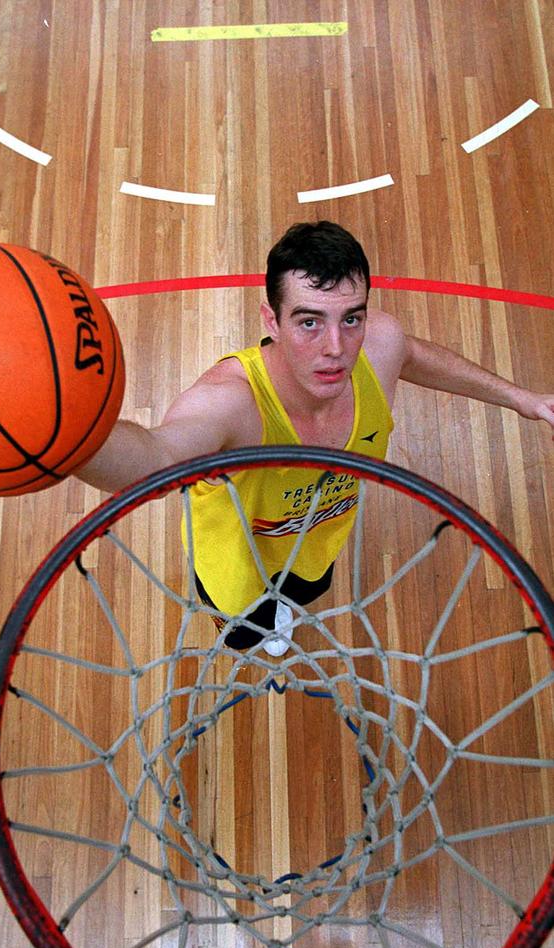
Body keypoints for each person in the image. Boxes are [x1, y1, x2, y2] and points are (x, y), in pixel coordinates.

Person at [77, 221, 554, 654]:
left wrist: (521, 399)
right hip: (238, 562)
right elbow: (155, 456)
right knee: (246, 632)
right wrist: (66, 442)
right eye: (309, 322)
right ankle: (259, 626)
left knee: (305, 588)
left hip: (316, 539)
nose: (335, 349)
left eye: (351, 318)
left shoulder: (379, 344)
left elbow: (413, 355)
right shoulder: (230, 403)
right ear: (271, 321)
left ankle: (285, 609)